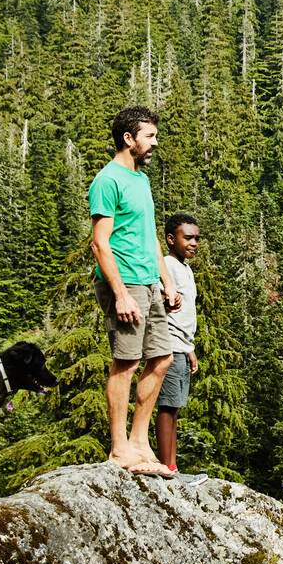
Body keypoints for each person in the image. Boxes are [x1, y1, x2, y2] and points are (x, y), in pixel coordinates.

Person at [88, 106, 181, 477]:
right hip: (123, 282)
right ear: (129, 139)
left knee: (162, 359)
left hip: (148, 282)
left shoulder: (140, 180)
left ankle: (140, 442)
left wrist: (167, 281)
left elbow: (151, 236)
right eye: (150, 136)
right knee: (125, 363)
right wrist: (120, 294)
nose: (155, 143)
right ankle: (118, 448)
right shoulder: (107, 181)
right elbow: (100, 244)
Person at [157, 213, 206, 484]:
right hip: (168, 346)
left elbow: (183, 314)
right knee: (167, 406)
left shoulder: (184, 267)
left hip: (181, 346)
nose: (194, 243)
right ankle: (166, 470)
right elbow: (160, 303)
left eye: (197, 238)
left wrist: (189, 348)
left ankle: (172, 468)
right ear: (170, 239)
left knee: (175, 408)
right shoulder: (167, 265)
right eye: (187, 237)